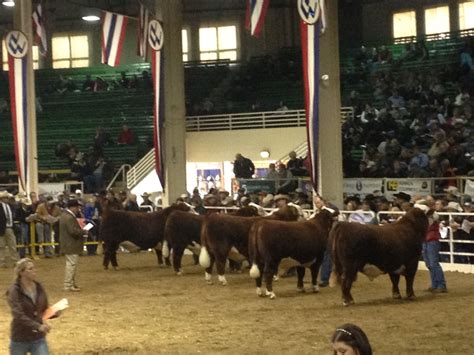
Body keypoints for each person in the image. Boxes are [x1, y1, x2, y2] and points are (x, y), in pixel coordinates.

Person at [6, 258, 53, 355]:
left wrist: (54, 312)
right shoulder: (14, 290)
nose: (34, 271)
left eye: (34, 268)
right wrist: (38, 326)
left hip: (38, 338)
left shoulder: (39, 287)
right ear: (21, 272)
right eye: (30, 269)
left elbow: (44, 308)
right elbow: (18, 314)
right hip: (20, 337)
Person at [60, 199, 86, 292]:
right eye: (77, 207)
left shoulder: (64, 215)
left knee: (71, 264)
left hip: (67, 244)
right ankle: (68, 284)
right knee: (71, 265)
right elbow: (73, 231)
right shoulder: (70, 217)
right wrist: (83, 231)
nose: (78, 209)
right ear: (73, 207)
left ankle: (71, 283)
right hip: (71, 244)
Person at [423, 209, 448, 293]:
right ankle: (435, 284)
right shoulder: (427, 218)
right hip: (426, 241)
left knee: (433, 263)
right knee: (429, 264)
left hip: (432, 241)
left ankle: (441, 285)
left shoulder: (433, 217)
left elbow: (434, 217)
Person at [1, 190, 19, 268]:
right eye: (6, 197)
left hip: (10, 227)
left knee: (13, 245)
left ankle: (15, 261)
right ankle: (1, 262)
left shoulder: (10, 206)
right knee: (1, 246)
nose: (7, 199)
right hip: (1, 229)